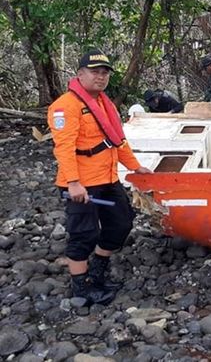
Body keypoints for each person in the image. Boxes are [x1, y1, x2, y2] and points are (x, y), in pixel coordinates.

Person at [47, 49, 153, 305]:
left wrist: (135, 167)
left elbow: (117, 141)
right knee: (83, 233)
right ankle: (81, 287)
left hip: (107, 177)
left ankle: (97, 271)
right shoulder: (65, 107)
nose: (101, 77)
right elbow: (64, 147)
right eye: (95, 72)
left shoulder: (105, 104)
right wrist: (73, 182)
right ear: (80, 74)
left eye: (105, 72)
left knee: (122, 222)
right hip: (82, 184)